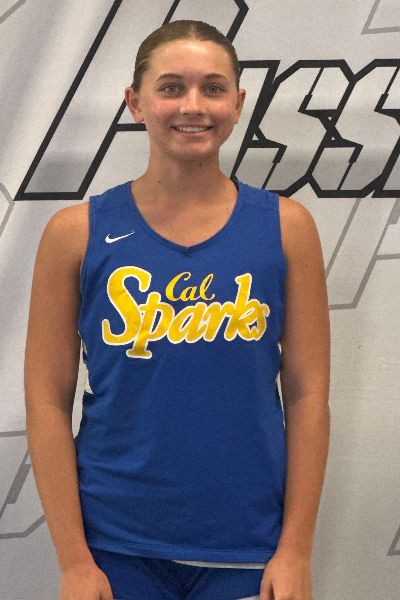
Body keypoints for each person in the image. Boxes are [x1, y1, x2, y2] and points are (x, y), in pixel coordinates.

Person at [24, 19, 330, 600]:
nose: (193, 105)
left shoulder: (287, 228)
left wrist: (295, 550)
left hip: (250, 545)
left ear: (238, 103)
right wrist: (74, 561)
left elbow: (308, 395)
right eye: (171, 87)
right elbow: (46, 401)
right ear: (135, 102)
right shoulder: (75, 233)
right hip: (114, 545)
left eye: (213, 88)